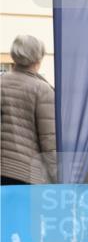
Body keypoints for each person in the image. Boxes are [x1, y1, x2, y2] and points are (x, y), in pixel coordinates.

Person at [1, 35, 56, 185]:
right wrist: (59, 178)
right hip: (25, 174)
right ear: (38, 59)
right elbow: (49, 140)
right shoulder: (42, 90)